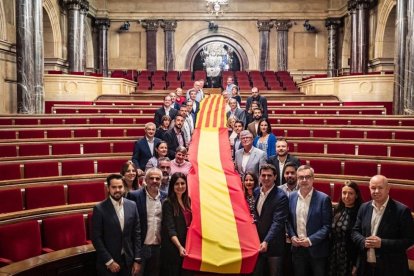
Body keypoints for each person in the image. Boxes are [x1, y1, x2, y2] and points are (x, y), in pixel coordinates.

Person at [351, 175, 414, 276]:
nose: (376, 191)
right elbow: (355, 231)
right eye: (373, 188)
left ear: (388, 189)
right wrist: (363, 241)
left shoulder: (402, 211)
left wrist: (382, 243)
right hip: (365, 266)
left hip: (391, 268)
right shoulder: (364, 207)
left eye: (380, 188)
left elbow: (409, 240)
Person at [92, 174, 142, 276]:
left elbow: (136, 234)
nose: (117, 190)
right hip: (109, 264)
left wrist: (137, 260)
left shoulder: (132, 205)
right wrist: (109, 261)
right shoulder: (99, 209)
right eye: (114, 187)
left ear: (124, 187)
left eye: (120, 187)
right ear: (108, 188)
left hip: (128, 261)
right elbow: (96, 238)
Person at [287, 165, 332, 276]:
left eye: (307, 177)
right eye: (301, 177)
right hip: (297, 250)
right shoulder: (291, 197)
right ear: (297, 179)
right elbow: (288, 220)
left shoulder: (323, 199)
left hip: (317, 250)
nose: (304, 180)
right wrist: (292, 236)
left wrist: (310, 240)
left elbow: (327, 226)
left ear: (313, 178)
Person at [127, 168, 167, 276]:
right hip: (140, 247)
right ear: (145, 179)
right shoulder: (134, 196)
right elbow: (129, 225)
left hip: (158, 248)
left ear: (161, 180)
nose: (154, 180)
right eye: (151, 178)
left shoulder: (166, 197)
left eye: (157, 178)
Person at [253, 164, 289, 276]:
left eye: (269, 175)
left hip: (274, 245)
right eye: (263, 175)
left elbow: (277, 222)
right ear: (259, 177)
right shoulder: (256, 192)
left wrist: (266, 241)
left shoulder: (281, 196)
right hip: (258, 243)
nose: (266, 178)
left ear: (275, 177)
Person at [160, 172, 192, 276]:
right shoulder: (167, 203)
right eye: (177, 184)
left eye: (183, 183)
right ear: (172, 186)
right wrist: (179, 246)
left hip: (187, 245)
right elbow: (170, 229)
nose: (180, 186)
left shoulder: (188, 201)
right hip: (173, 247)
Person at [329, 181, 363, 276]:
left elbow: (359, 242)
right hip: (334, 253)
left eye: (351, 193)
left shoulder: (360, 212)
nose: (346, 196)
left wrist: (357, 264)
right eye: (344, 193)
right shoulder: (337, 208)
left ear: (356, 195)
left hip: (349, 256)